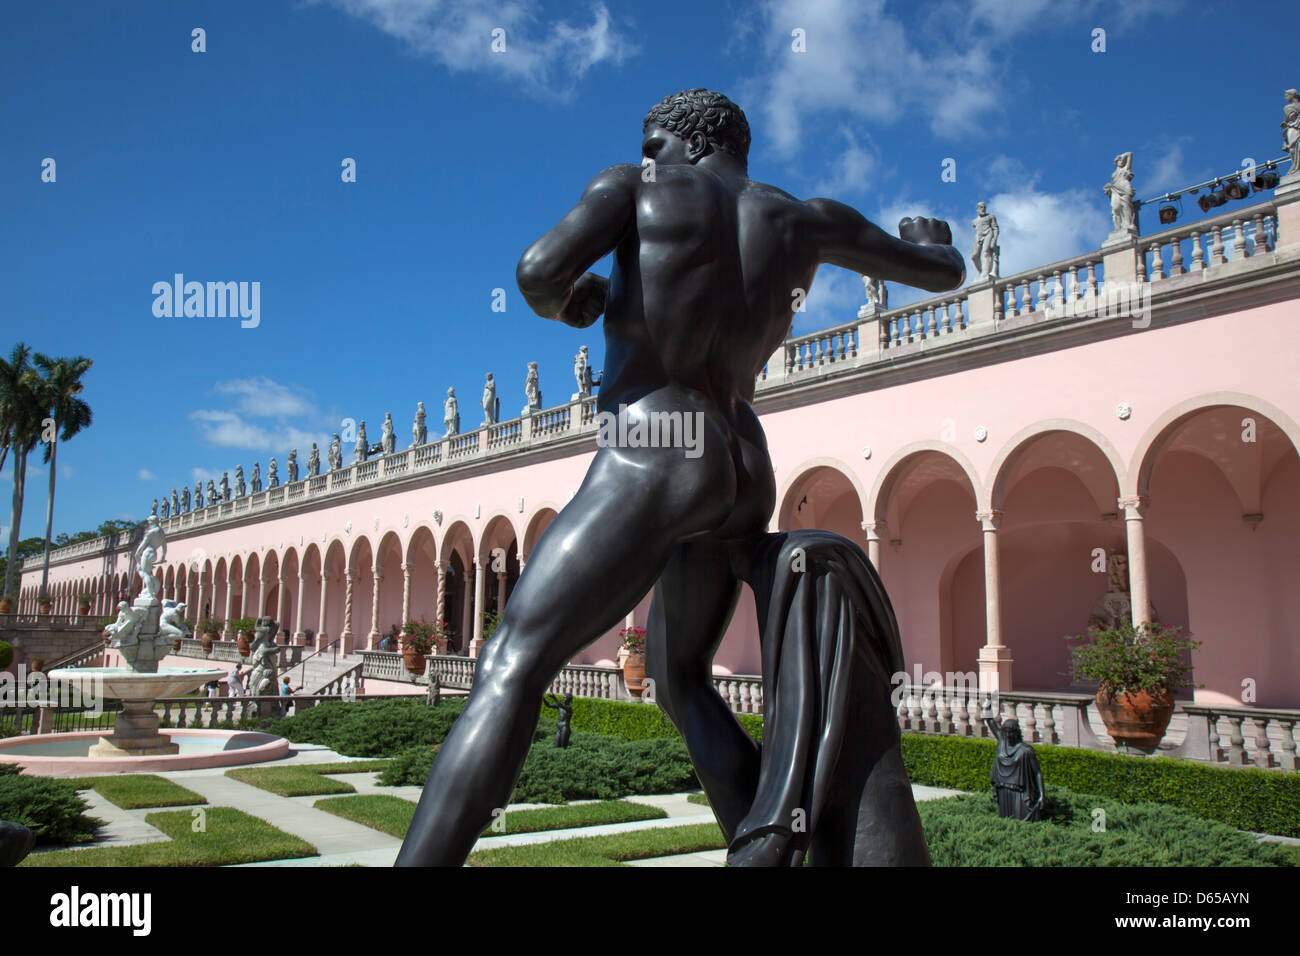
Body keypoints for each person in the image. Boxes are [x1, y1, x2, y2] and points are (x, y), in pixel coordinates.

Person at [395, 88, 963, 867]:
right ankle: (772, 853)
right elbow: (938, 272)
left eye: (651, 141)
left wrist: (574, 305)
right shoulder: (805, 217)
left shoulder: (635, 187)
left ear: (682, 140)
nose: (646, 155)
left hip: (654, 446)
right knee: (679, 677)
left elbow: (536, 271)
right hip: (742, 459)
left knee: (510, 661)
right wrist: (931, 242)